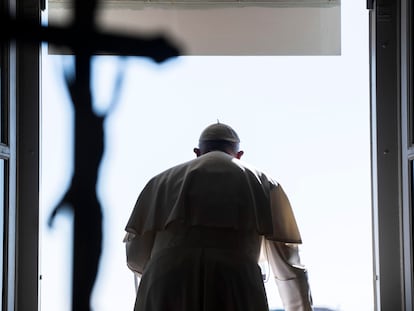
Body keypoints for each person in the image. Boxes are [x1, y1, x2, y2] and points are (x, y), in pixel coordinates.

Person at [124, 122, 313, 311]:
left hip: (166, 283)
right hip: (234, 284)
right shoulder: (265, 184)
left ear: (197, 152)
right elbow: (289, 269)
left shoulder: (159, 183)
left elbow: (135, 258)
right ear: (239, 156)